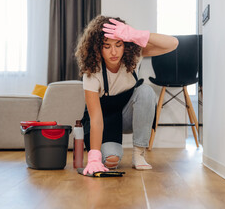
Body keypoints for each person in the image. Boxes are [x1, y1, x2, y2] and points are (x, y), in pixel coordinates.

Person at [75, 15, 179, 175]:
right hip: (104, 121)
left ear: (126, 44)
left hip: (128, 115)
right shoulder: (92, 73)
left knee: (145, 91)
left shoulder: (133, 56)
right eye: (107, 46)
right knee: (111, 161)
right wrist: (94, 157)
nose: (114, 52)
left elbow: (173, 44)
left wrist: (137, 35)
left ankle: (139, 155)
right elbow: (95, 119)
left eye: (119, 44)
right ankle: (104, 155)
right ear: (97, 48)